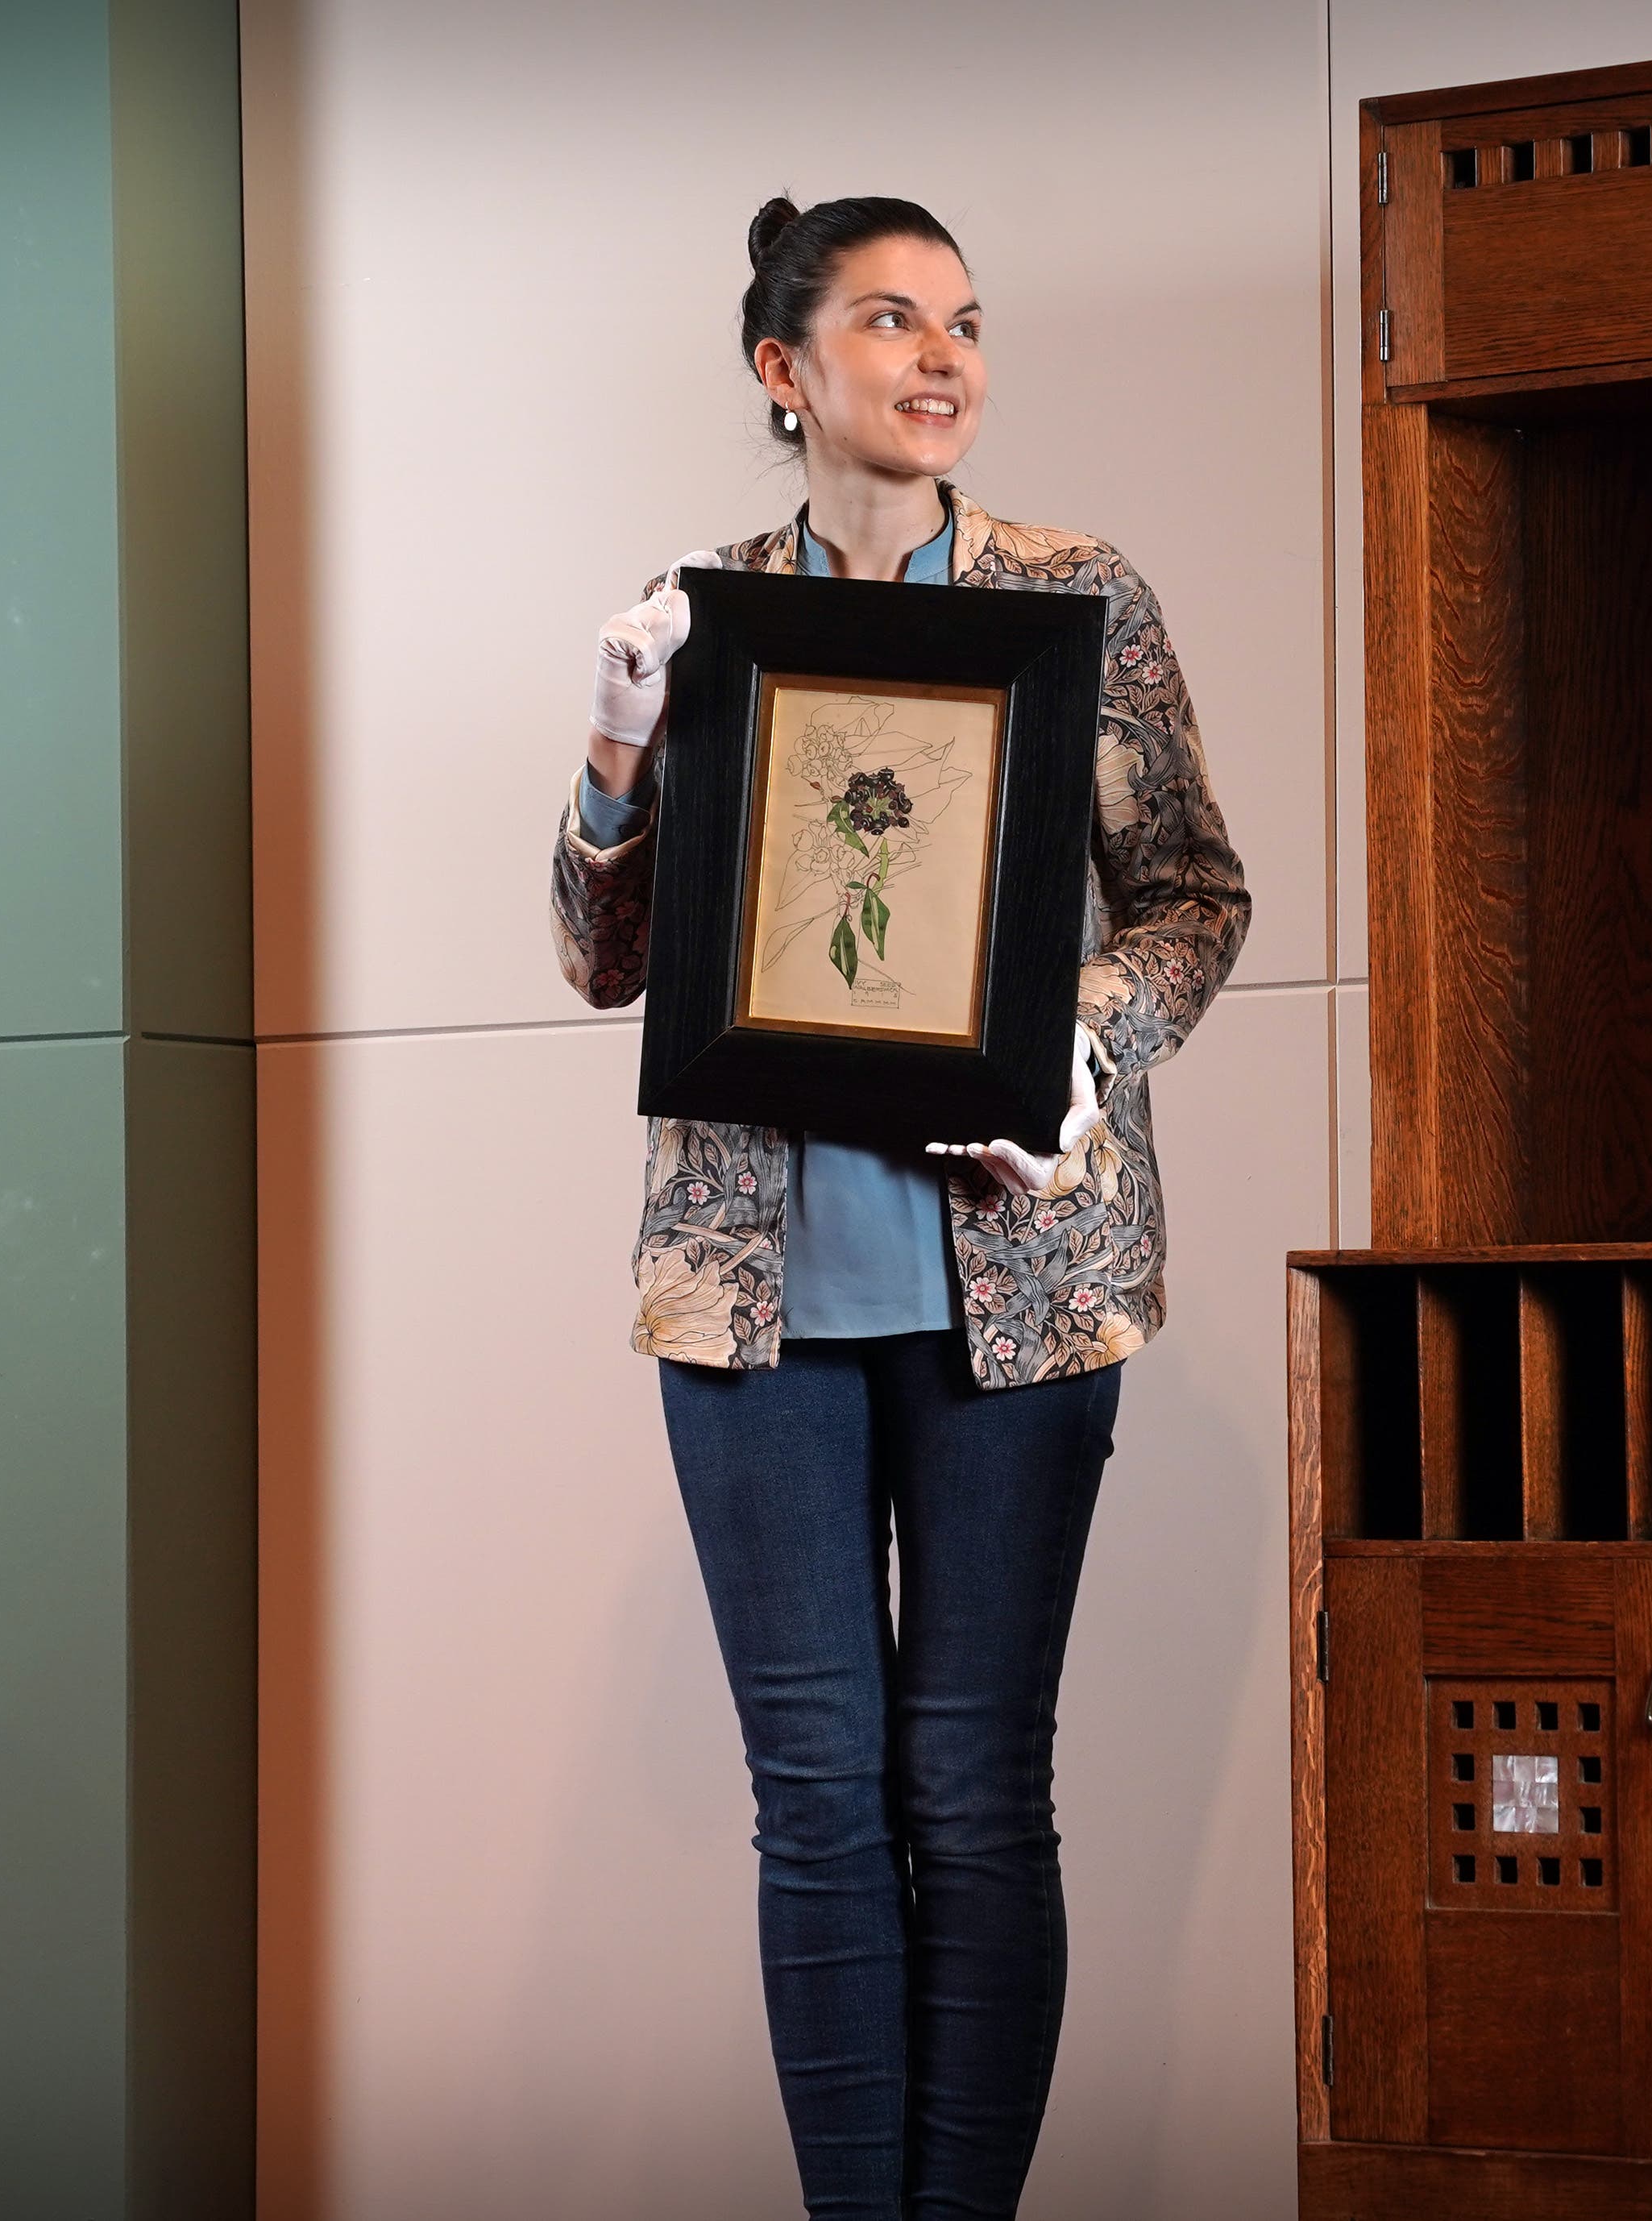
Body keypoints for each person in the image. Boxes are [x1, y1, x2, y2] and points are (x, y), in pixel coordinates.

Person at [545, 193, 1249, 2220]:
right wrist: (616, 746)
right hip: (752, 1300)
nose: (942, 358)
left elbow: (1197, 900)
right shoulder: (707, 617)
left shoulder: (1075, 594)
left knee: (971, 1792)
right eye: (887, 320)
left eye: (962, 322)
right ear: (785, 371)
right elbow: (607, 958)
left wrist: (1075, 1052)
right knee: (818, 1810)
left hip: (1020, 1288)